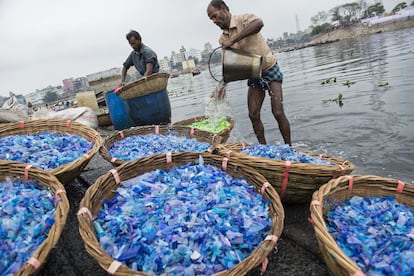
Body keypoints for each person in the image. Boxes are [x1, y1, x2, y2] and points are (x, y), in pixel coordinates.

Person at [207, 0, 291, 146]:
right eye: (211, 19)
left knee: (277, 112)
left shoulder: (243, 19)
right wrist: (222, 86)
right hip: (253, 74)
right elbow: (233, 65)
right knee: (253, 114)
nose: (214, 21)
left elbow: (258, 24)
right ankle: (264, 148)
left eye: (214, 16)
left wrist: (233, 40)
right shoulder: (222, 39)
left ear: (224, 9)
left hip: (269, 68)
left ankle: (290, 147)